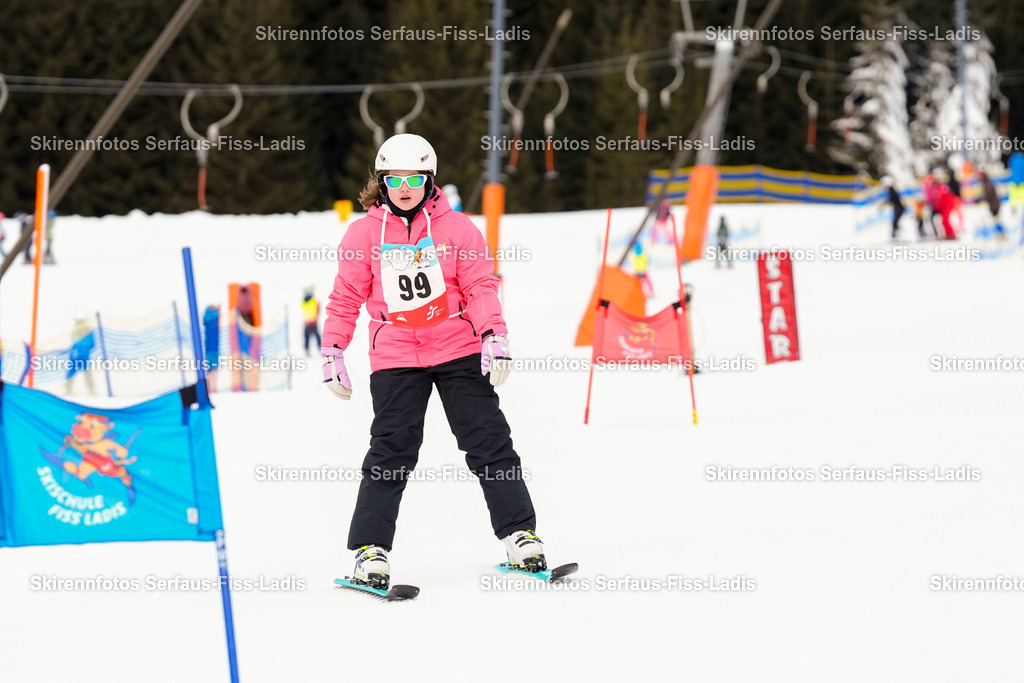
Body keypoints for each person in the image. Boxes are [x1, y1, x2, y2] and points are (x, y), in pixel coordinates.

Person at [322, 134, 542, 590]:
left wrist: (493, 335)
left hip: (457, 347)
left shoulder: (458, 228)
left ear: (429, 180)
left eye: (414, 178)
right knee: (391, 451)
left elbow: (481, 284)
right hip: (396, 354)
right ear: (382, 183)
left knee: (489, 442)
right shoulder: (362, 234)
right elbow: (346, 296)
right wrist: (333, 349)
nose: (405, 187)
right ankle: (370, 551)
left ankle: (521, 536)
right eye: (395, 179)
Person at [66, 316, 96, 396]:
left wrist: (79, 349)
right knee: (83, 373)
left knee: (81, 373)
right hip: (80, 356)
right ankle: (91, 390)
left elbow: (91, 344)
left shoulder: (83, 332)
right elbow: (92, 345)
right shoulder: (86, 332)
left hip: (78, 355)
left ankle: (91, 390)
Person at [978, 170, 1004, 238]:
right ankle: (1000, 233)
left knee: (996, 220)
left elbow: (988, 196)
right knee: (995, 219)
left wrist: (980, 199)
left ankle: (1001, 234)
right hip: (994, 205)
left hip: (994, 205)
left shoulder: (988, 185)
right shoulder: (987, 183)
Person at [301, 286, 322, 355]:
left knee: (307, 336)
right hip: (313, 322)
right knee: (316, 335)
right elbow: (318, 309)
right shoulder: (314, 301)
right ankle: (320, 348)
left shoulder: (304, 301)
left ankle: (306, 349)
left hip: (306, 322)